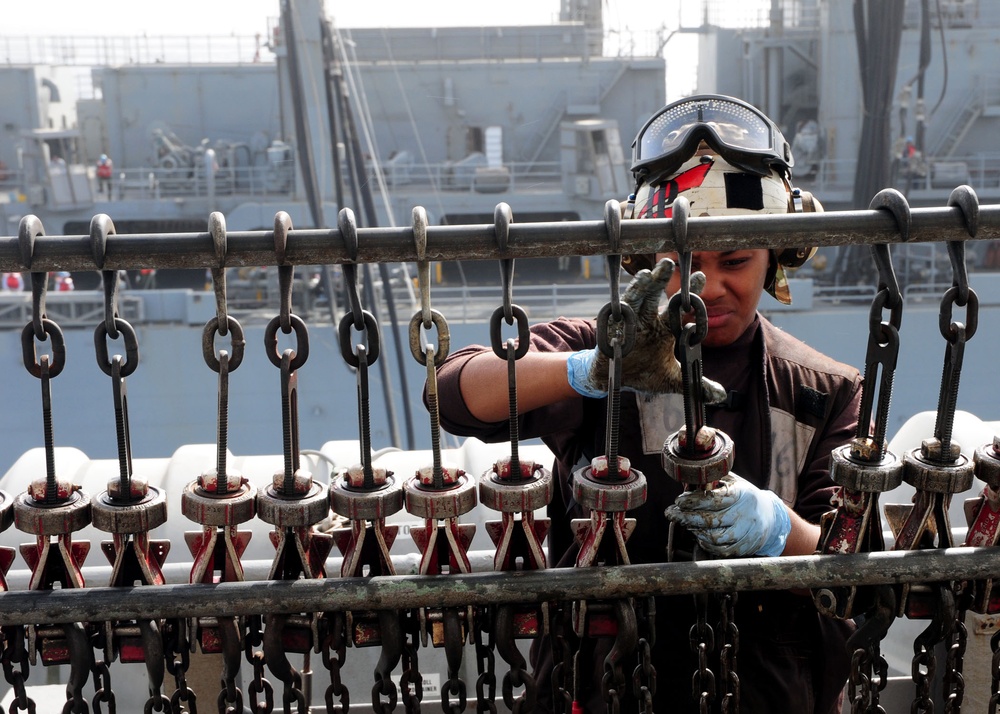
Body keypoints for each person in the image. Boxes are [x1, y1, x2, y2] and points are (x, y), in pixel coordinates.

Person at [433, 95, 862, 713]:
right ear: (647, 257)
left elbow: (854, 567)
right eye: (682, 261)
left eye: (735, 260)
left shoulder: (824, 391)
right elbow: (454, 393)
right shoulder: (595, 351)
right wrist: (590, 370)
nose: (707, 286)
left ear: (778, 254)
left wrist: (778, 531)